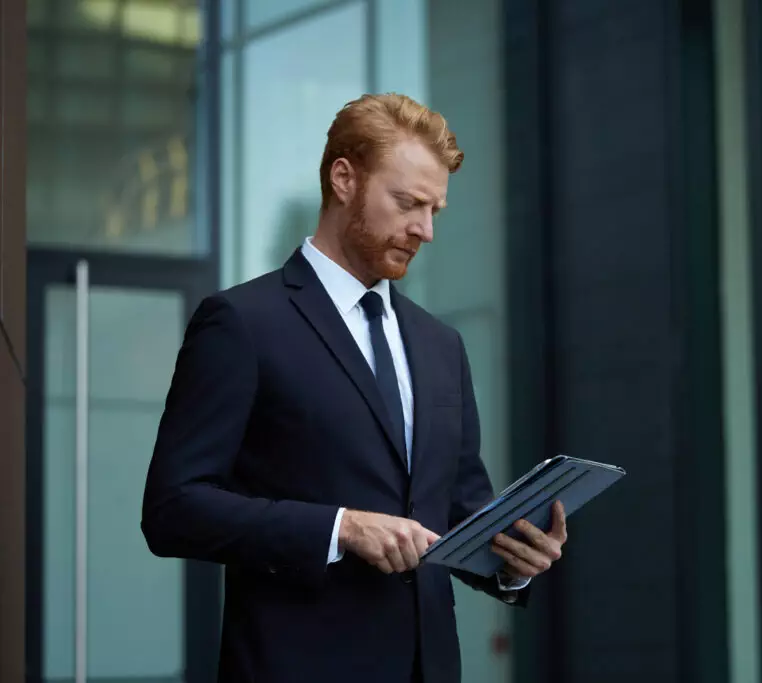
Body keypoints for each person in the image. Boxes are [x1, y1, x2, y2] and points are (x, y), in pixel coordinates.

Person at [141, 93, 567, 683]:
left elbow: (458, 514)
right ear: (344, 178)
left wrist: (511, 559)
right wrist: (340, 528)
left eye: (435, 209)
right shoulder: (242, 323)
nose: (426, 230)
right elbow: (172, 510)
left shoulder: (442, 345)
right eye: (409, 203)